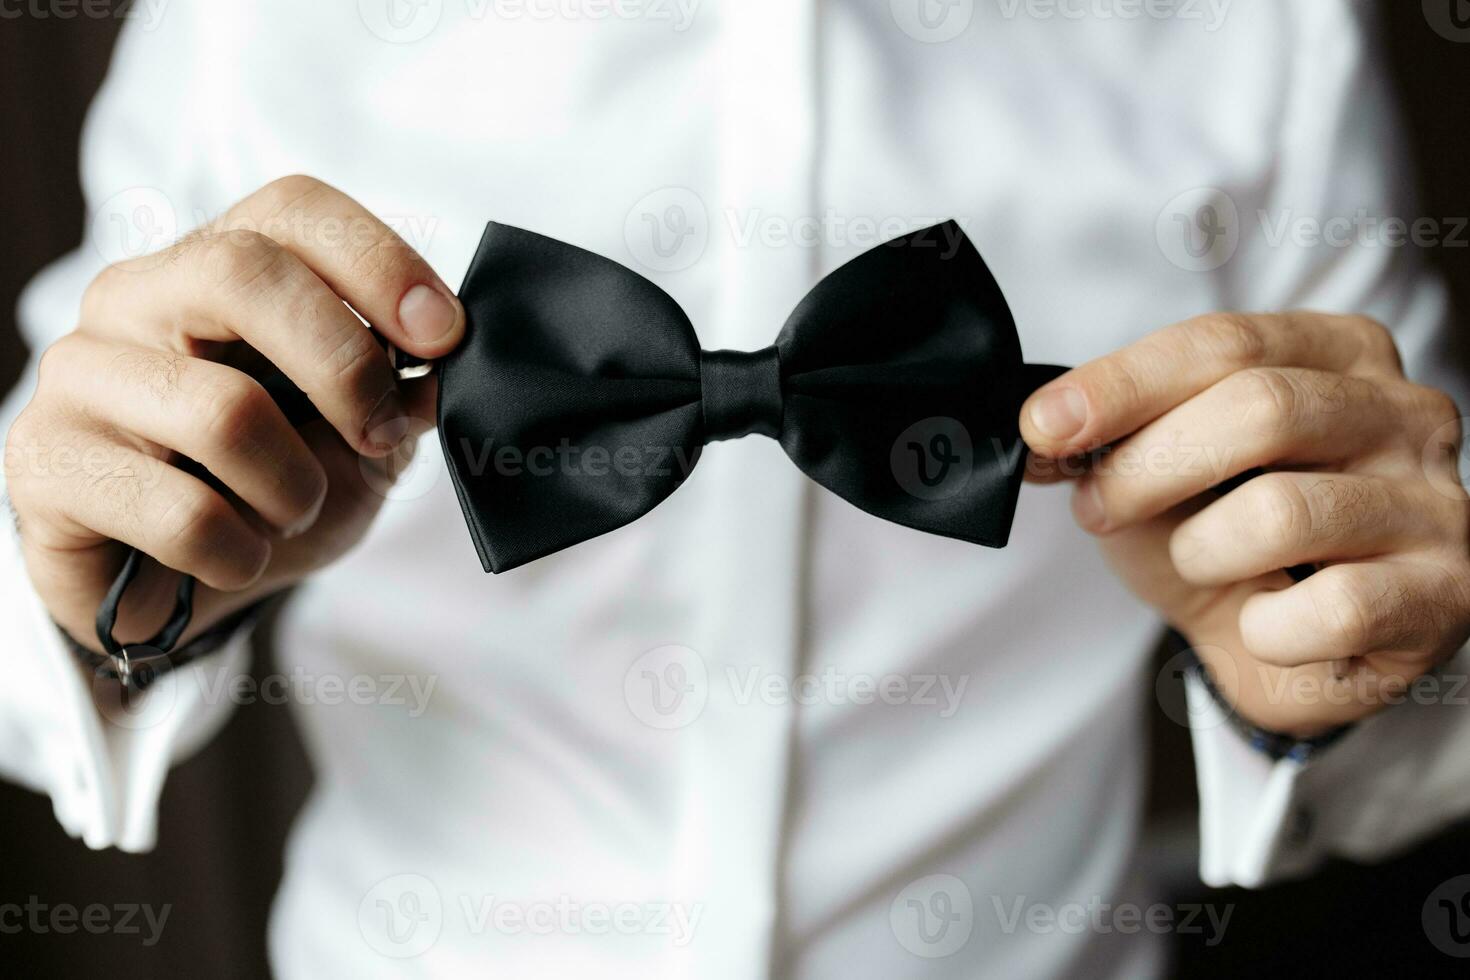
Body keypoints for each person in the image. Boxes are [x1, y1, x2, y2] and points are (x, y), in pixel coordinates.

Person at [3, 2, 1468, 976]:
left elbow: (1422, 671)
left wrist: (1334, 672)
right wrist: (93, 585)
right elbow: (37, 596)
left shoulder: (1254, 30)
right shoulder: (247, 25)